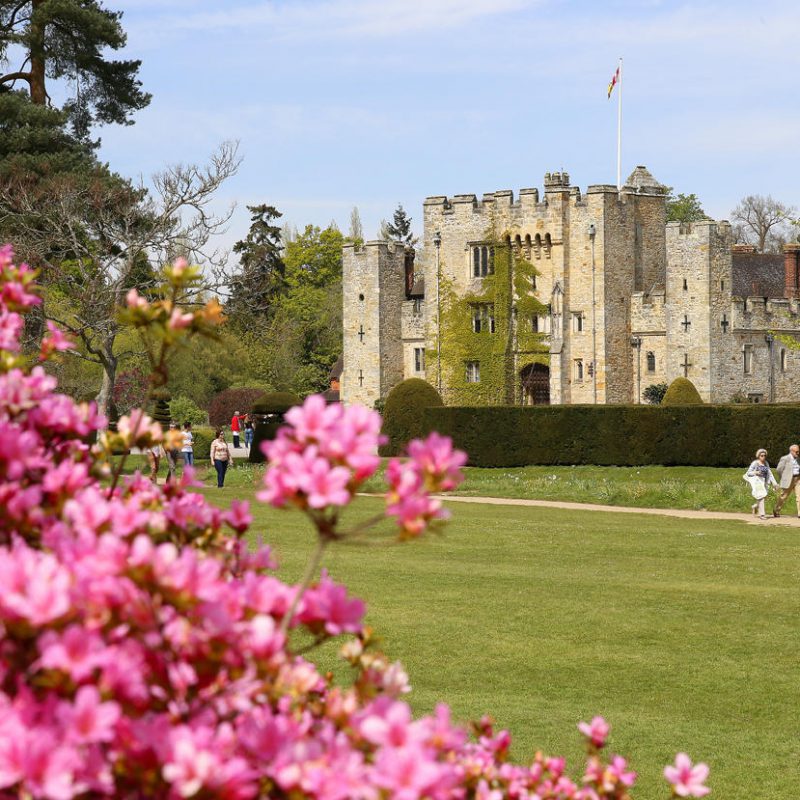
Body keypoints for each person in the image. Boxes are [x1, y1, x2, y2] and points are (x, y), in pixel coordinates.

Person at [744, 448, 778, 519]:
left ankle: (755, 506)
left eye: (764, 455)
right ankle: (762, 515)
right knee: (761, 497)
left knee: (763, 496)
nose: (763, 457)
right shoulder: (755, 463)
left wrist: (774, 483)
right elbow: (748, 473)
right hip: (757, 482)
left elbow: (770, 474)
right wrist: (755, 472)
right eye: (761, 455)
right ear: (758, 456)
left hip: (764, 482)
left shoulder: (766, 463)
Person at [772, 443, 800, 517]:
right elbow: (779, 469)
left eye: (798, 451)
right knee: (784, 496)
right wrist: (783, 478)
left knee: (799, 496)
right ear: (791, 451)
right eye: (796, 452)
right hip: (789, 480)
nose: (798, 453)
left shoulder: (798, 459)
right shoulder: (785, 458)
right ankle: (776, 510)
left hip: (798, 479)